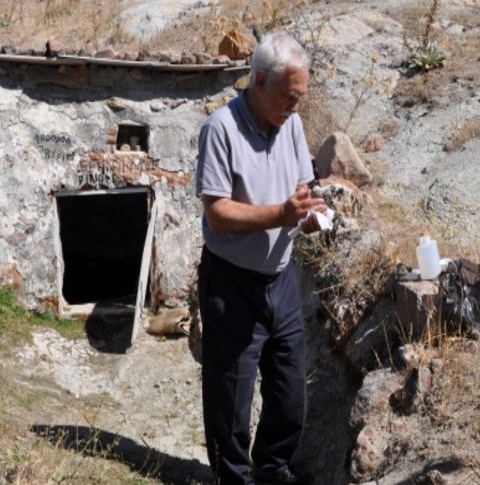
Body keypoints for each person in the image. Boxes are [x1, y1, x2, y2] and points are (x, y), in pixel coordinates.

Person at [195, 31, 327, 485]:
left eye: (300, 98)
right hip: (232, 284)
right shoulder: (220, 129)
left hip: (282, 278)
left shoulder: (291, 123)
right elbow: (217, 213)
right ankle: (233, 478)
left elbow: (301, 191)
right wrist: (280, 214)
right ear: (258, 82)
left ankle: (273, 470)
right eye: (290, 97)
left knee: (290, 394)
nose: (296, 107)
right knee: (231, 399)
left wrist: (310, 214)